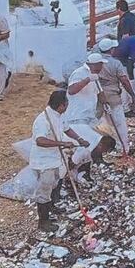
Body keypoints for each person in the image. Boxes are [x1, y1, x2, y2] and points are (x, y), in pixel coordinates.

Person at [28, 89, 91, 230]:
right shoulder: (43, 120)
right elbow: (40, 140)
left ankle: (52, 207)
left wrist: (79, 139)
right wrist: (63, 144)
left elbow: (67, 129)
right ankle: (43, 222)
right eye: (66, 103)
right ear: (62, 105)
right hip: (43, 161)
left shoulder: (60, 116)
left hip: (55, 158)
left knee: (56, 182)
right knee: (44, 190)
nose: (68, 105)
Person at [96, 39, 135, 155]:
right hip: (112, 97)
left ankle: (100, 146)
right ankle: (124, 148)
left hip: (97, 96)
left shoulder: (94, 62)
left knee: (98, 122)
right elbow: (124, 80)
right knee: (119, 124)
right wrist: (132, 95)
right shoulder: (115, 63)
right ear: (111, 50)